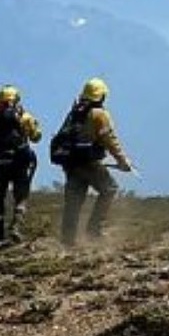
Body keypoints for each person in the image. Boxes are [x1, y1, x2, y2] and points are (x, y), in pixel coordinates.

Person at [48, 78, 135, 247]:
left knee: (73, 201)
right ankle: (94, 230)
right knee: (109, 189)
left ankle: (67, 240)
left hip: (71, 164)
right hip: (89, 163)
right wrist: (123, 162)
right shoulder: (99, 114)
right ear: (101, 96)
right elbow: (110, 140)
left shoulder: (75, 111)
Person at [0, 85, 42, 247]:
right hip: (20, 163)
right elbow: (36, 136)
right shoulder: (25, 117)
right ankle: (16, 226)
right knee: (21, 197)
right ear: (16, 99)